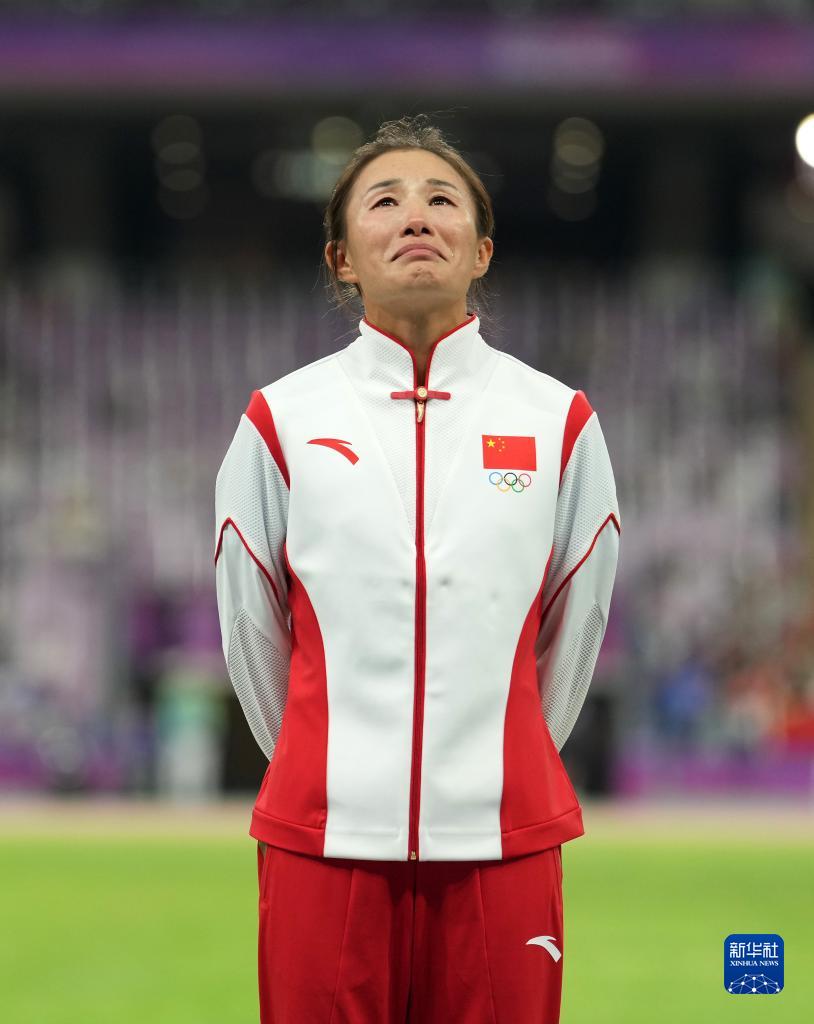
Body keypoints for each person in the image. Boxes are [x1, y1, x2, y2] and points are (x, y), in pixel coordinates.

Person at [214, 113, 621, 1024]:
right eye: (384, 201)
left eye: (441, 200)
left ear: (481, 251)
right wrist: (332, 767)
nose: (415, 217)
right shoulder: (280, 420)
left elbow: (578, 625)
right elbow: (249, 628)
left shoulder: (560, 421)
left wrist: (493, 761)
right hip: (323, 840)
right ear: (341, 259)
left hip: (502, 842)